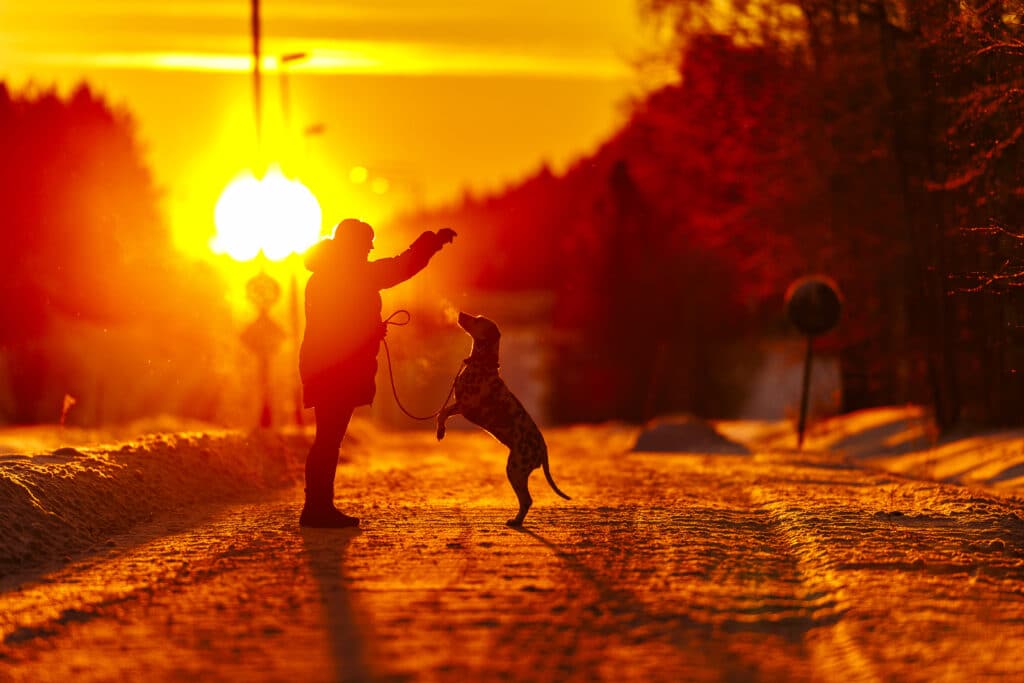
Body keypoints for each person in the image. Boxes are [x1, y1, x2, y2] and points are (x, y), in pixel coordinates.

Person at [298, 218, 456, 528]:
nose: (370, 250)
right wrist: (430, 243)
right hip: (336, 369)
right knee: (328, 439)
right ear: (352, 245)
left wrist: (368, 330)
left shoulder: (325, 274)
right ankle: (317, 509)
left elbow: (341, 320)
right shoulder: (351, 273)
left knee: (327, 438)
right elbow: (398, 268)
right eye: (366, 244)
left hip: (323, 366)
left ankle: (318, 505)